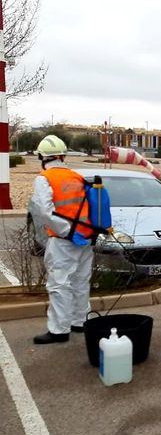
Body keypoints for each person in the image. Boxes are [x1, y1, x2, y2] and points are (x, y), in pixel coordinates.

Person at [28, 135, 94, 345]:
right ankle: (80, 321)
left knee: (59, 284)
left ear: (42, 156)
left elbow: (45, 212)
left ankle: (59, 330)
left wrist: (67, 231)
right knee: (80, 282)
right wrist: (80, 232)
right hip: (85, 238)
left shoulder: (44, 178)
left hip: (64, 240)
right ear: (63, 155)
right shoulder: (76, 176)